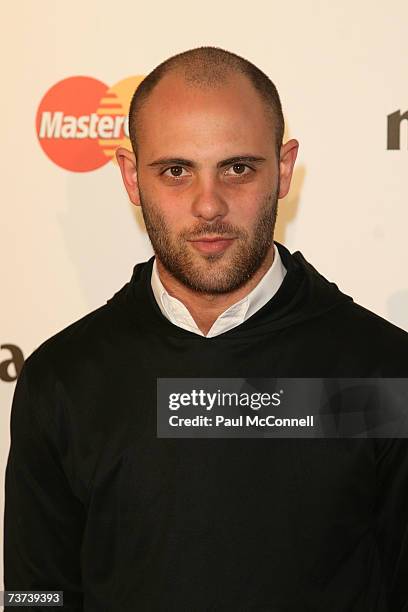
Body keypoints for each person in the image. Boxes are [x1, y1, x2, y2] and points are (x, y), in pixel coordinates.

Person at [4, 46, 408, 611]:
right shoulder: (64, 378)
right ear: (130, 177)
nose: (208, 204)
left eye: (237, 168)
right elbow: (34, 594)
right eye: (176, 170)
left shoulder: (383, 372)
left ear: (284, 169)